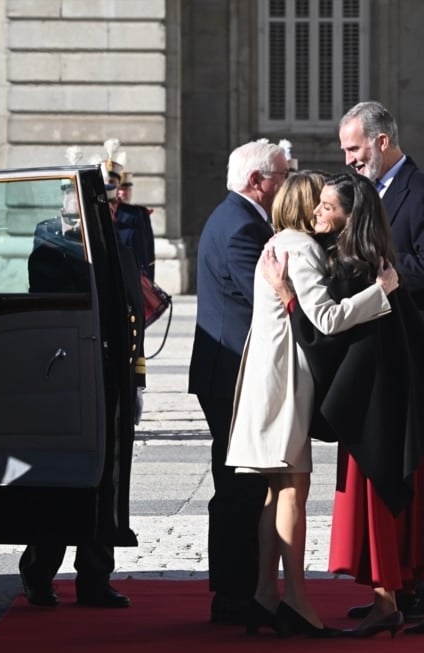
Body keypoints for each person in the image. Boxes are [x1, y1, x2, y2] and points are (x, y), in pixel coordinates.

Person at [264, 172, 424, 637]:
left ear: (350, 216)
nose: (317, 211)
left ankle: (386, 603)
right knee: (417, 494)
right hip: (401, 398)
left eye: (327, 206)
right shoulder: (375, 258)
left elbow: (328, 333)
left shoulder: (353, 266)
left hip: (374, 404)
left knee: (378, 500)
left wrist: (288, 297)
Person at [226, 171, 396, 637]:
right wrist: (379, 293)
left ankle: (267, 592)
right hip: (286, 379)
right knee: (292, 490)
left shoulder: (279, 242)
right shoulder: (299, 248)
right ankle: (296, 600)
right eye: (318, 202)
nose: (324, 209)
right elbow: (325, 318)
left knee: (275, 490)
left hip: (269, 372)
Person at [337, 100, 424, 615]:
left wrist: (379, 273)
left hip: (423, 354)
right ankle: (397, 588)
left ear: (381, 140)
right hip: (383, 357)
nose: (349, 159)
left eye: (354, 148)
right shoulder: (361, 192)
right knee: (392, 475)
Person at [188, 139, 290, 625]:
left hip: (229, 371)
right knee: (239, 489)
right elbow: (267, 303)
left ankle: (237, 589)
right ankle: (234, 594)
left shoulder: (238, 218)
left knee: (240, 486)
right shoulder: (241, 228)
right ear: (258, 182)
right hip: (233, 373)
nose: (287, 185)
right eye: (283, 177)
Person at [20, 180, 133, 608]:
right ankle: (39, 570)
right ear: (67, 197)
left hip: (108, 374)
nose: (89, 200)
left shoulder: (111, 239)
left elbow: (128, 312)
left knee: (108, 477)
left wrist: (134, 378)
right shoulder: (50, 238)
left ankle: (95, 576)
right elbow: (51, 301)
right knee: (62, 476)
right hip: (66, 370)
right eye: (82, 193)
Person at [102, 139, 155, 424]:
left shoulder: (135, 216)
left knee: (136, 347)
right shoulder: (96, 215)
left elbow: (146, 258)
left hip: (131, 292)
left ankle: (134, 397)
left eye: (114, 183)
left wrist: (145, 294)